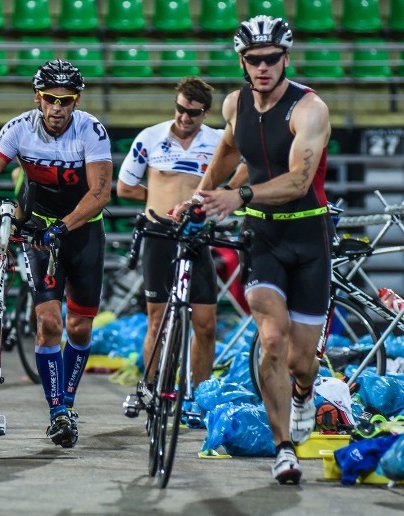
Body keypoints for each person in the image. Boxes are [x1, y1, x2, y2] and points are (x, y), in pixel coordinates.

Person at [174, 16, 333, 485]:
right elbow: (227, 150)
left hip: (308, 237)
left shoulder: (309, 110)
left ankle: (305, 391)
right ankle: (284, 448)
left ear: (286, 58)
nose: (262, 67)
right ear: (242, 62)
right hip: (262, 238)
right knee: (272, 341)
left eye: (271, 59)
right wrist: (201, 196)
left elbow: (299, 181)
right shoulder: (233, 104)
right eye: (253, 59)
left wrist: (238, 196)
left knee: (302, 360)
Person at [0, 59, 113, 449]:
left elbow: (100, 193)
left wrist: (64, 225)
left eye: (66, 100)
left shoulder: (91, 131)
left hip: (83, 231)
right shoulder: (20, 128)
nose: (58, 108)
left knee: (79, 328)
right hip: (39, 229)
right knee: (49, 323)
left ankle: (67, 404)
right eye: (51, 99)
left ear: (76, 100)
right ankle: (57, 410)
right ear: (38, 98)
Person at [116, 77, 223, 425]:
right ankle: (150, 389)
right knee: (157, 320)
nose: (184, 118)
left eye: (192, 113)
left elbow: (242, 175)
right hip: (160, 234)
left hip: (196, 236)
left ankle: (200, 399)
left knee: (206, 324)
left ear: (204, 113)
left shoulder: (218, 141)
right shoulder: (150, 137)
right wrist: (158, 201)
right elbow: (125, 186)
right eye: (180, 109)